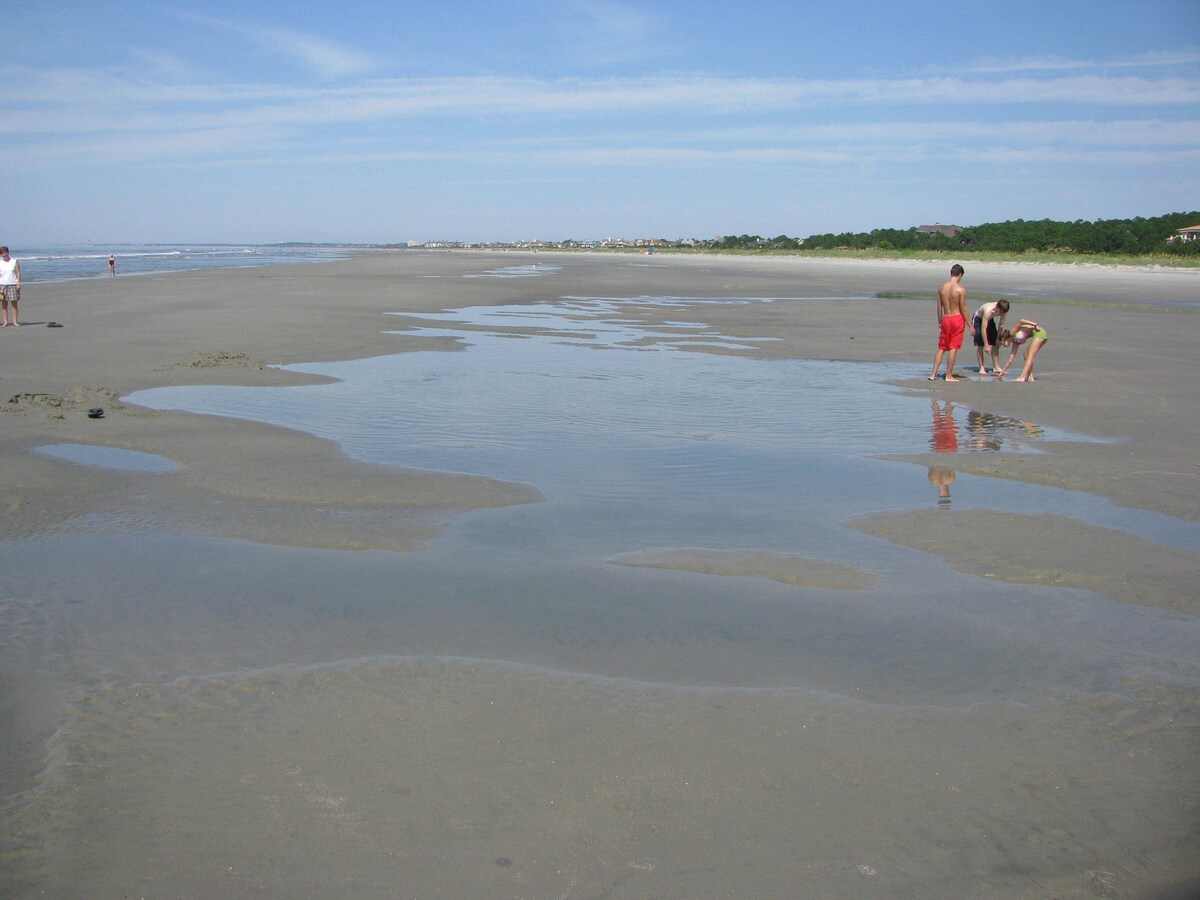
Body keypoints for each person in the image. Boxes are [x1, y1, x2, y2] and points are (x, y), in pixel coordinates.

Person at [928, 264, 967, 381]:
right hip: (957, 318)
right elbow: (963, 308)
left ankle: (933, 374)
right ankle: (948, 375)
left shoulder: (941, 288)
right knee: (953, 347)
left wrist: (940, 321)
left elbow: (939, 306)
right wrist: (970, 324)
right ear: (960, 275)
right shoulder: (960, 289)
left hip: (946, 318)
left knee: (942, 347)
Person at [971, 299, 1010, 373]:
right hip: (978, 319)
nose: (1001, 314)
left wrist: (998, 338)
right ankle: (981, 367)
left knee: (995, 342)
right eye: (1000, 312)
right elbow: (983, 329)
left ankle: (996, 367)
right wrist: (986, 345)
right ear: (997, 308)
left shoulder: (1004, 310)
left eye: (1003, 313)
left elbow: (1001, 325)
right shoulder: (988, 311)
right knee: (980, 344)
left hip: (989, 319)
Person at [0, 246, 20, 327]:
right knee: (4, 304)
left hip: (13, 284)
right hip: (2, 285)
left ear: (8, 252)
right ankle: (5, 322)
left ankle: (15, 321)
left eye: (5, 252)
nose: (4, 254)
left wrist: (18, 283)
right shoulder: (0, 263)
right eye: (2, 253)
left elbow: (18, 273)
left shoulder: (14, 261)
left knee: (14, 304)